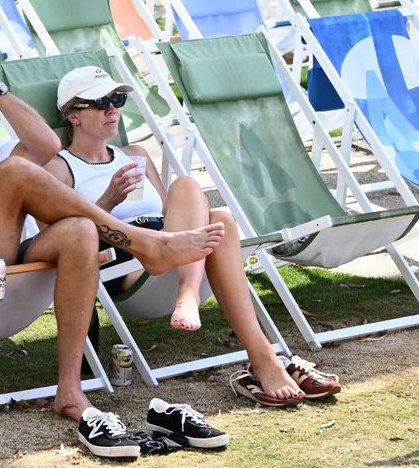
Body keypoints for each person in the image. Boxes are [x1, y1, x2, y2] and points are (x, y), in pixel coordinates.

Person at [0, 46, 225, 455]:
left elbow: (48, 146)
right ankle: (144, 243)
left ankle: (70, 390)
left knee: (80, 230)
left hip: (9, 274)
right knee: (16, 171)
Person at [44, 64, 338, 410]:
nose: (113, 110)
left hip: (171, 248)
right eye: (101, 103)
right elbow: (66, 241)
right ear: (74, 116)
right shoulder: (60, 168)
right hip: (126, 263)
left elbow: (174, 212)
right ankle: (265, 360)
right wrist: (107, 201)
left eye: (117, 100)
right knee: (220, 223)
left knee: (199, 198)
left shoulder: (135, 155)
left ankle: (196, 299)